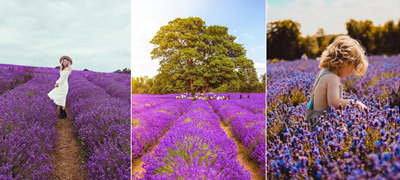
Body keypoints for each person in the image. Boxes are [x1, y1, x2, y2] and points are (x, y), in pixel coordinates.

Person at [306, 35, 368, 128]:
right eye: (352, 67)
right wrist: (355, 103)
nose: (352, 71)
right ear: (344, 61)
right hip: (322, 124)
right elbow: (334, 103)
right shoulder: (332, 78)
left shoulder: (323, 73)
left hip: (314, 120)